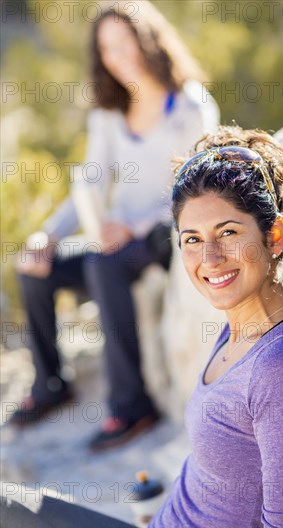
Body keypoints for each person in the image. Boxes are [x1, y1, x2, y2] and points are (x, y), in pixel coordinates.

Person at [1, 125, 283, 528]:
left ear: (275, 235)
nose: (209, 258)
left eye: (228, 233)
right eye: (192, 240)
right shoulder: (238, 327)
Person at [10, 0, 219, 451]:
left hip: (168, 232)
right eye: (107, 48)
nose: (118, 55)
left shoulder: (188, 105)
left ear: (149, 40)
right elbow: (90, 179)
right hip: (116, 239)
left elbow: (199, 189)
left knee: (104, 265)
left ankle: (131, 406)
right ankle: (51, 385)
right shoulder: (107, 113)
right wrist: (47, 234)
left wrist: (136, 226)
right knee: (33, 268)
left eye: (125, 43)